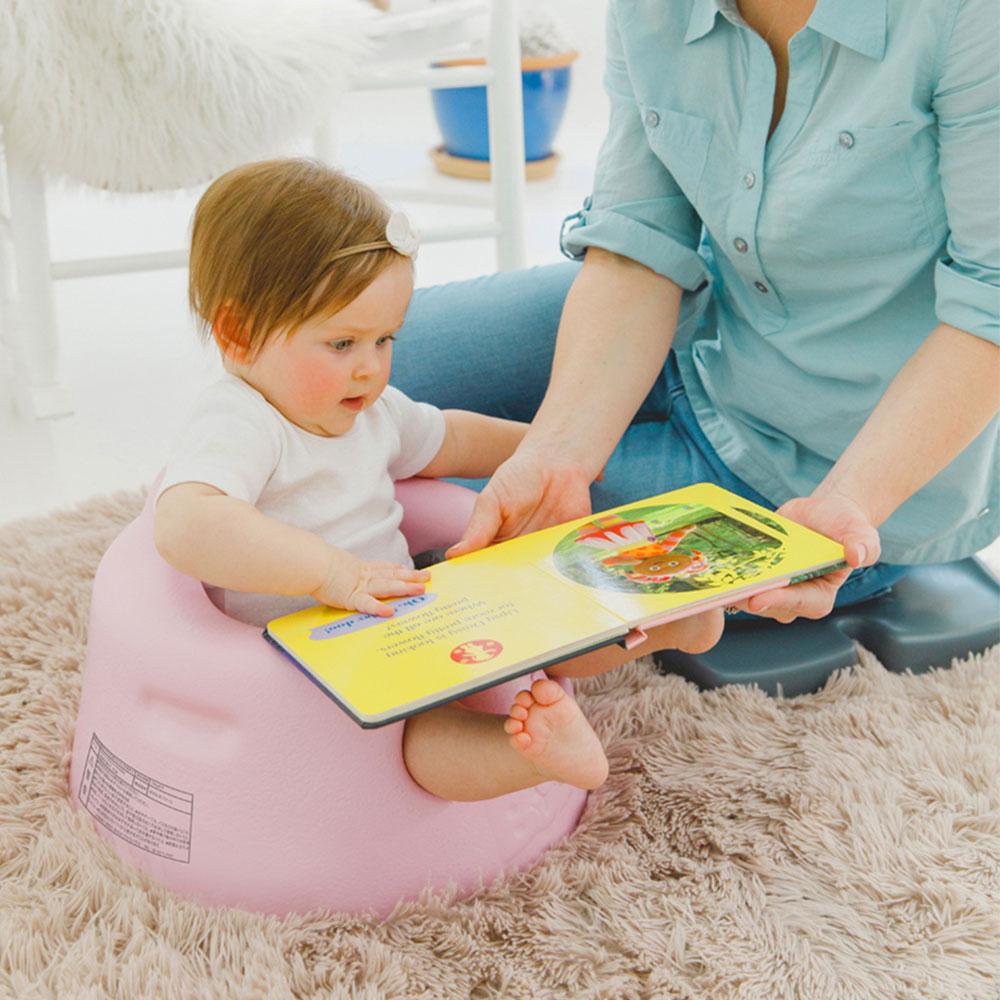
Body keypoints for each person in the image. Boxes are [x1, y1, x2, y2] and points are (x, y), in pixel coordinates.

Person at [391, 0, 999, 630]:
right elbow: (640, 237)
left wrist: (847, 505)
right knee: (318, 372)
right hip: (694, 325)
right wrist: (558, 454)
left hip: (820, 473)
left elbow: (992, 303)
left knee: (385, 517)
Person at [153, 159, 723, 802]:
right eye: (342, 345)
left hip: (407, 623)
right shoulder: (240, 421)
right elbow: (186, 522)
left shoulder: (367, 410)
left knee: (534, 624)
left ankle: (675, 624)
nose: (370, 369)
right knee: (422, 745)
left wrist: (553, 450)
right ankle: (531, 757)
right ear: (237, 331)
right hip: (309, 667)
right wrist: (333, 575)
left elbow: (449, 438)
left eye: (385, 339)